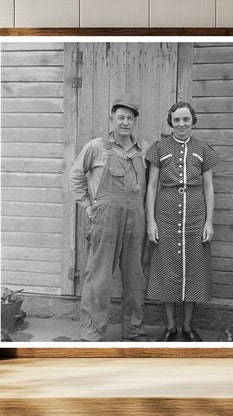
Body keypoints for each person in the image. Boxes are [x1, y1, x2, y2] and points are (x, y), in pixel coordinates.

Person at [69, 93, 150, 342]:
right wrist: (88, 206)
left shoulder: (143, 150)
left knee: (135, 277)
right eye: (120, 118)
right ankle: (92, 333)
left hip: (136, 216)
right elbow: (75, 176)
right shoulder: (97, 147)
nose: (125, 122)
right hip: (105, 218)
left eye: (129, 118)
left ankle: (133, 330)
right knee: (99, 277)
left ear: (134, 122)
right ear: (112, 119)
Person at [145, 102, 219, 342]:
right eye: (176, 120)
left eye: (186, 119)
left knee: (194, 270)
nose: (181, 124)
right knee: (166, 269)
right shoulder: (159, 148)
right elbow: (152, 186)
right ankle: (170, 327)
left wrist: (209, 222)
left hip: (196, 217)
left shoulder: (203, 150)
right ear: (170, 122)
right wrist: (151, 222)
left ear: (193, 121)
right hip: (165, 216)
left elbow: (208, 187)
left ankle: (187, 327)